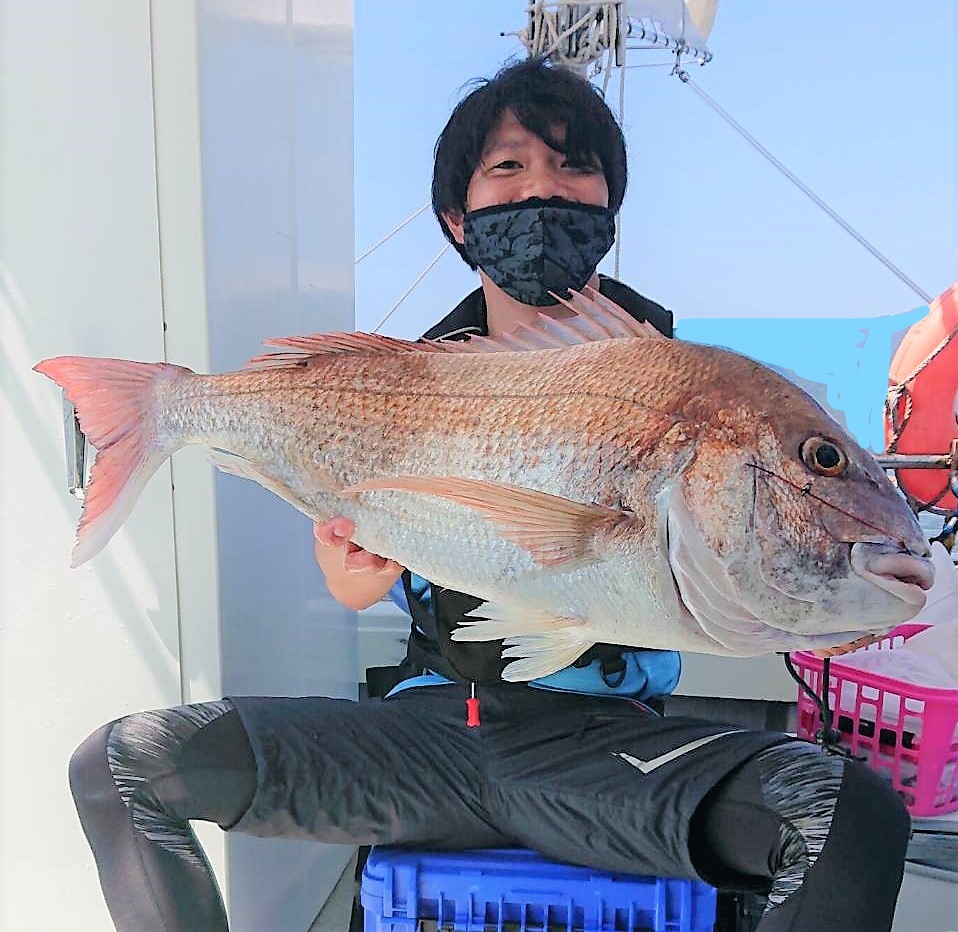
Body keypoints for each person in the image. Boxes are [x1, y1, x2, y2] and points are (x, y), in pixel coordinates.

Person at [69, 58, 911, 932]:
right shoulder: (402, 379)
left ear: (610, 207)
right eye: (508, 166)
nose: (542, 187)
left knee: (851, 816)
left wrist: (836, 593)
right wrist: (348, 561)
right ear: (457, 217)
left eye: (573, 165)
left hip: (609, 746)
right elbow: (355, 585)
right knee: (121, 767)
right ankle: (160, 407)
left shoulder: (686, 382)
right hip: (426, 734)